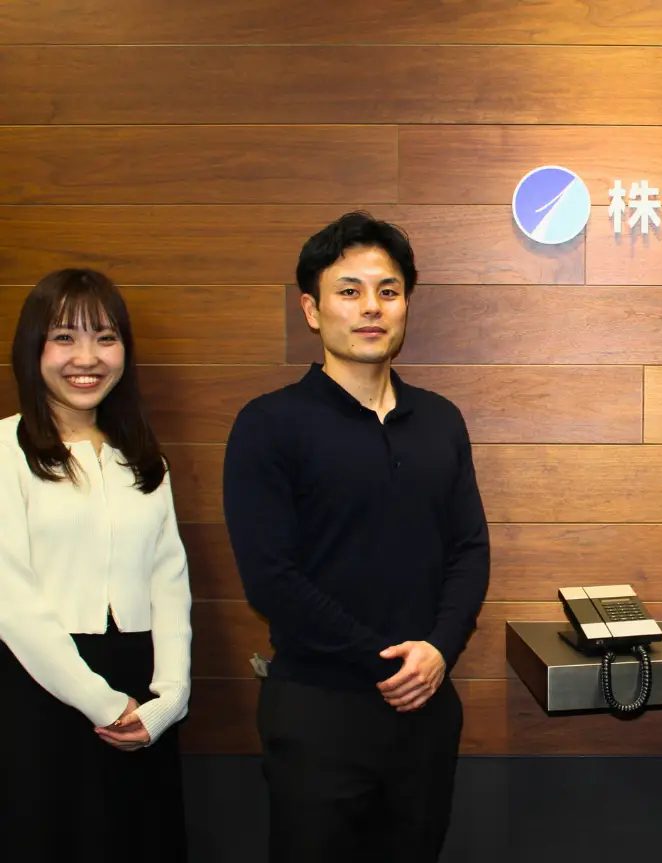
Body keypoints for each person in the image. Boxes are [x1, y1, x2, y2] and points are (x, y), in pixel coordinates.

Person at [222, 211, 490, 863]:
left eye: (388, 291)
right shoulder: (269, 424)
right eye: (350, 290)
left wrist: (438, 649)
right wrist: (386, 662)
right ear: (312, 310)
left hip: (426, 707)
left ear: (405, 305)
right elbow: (271, 579)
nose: (372, 306)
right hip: (318, 711)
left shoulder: (440, 420)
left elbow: (469, 549)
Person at [0, 269, 191, 861]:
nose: (87, 358)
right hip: (39, 689)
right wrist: (105, 704)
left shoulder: (143, 457)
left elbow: (170, 580)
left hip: (142, 695)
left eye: (105, 338)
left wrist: (169, 698)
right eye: (64, 337)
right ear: (33, 348)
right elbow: (11, 599)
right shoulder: (5, 449)